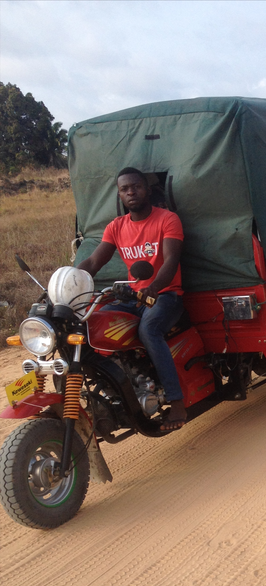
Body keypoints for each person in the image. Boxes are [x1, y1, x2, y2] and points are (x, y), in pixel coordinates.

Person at [77, 167, 187, 431]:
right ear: (119, 194)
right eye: (125, 189)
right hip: (132, 297)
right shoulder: (116, 227)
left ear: (147, 189)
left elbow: (171, 259)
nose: (131, 192)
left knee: (149, 330)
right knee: (90, 321)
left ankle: (176, 401)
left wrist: (155, 287)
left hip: (165, 295)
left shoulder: (167, 219)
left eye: (136, 187)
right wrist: (66, 281)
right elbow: (94, 261)